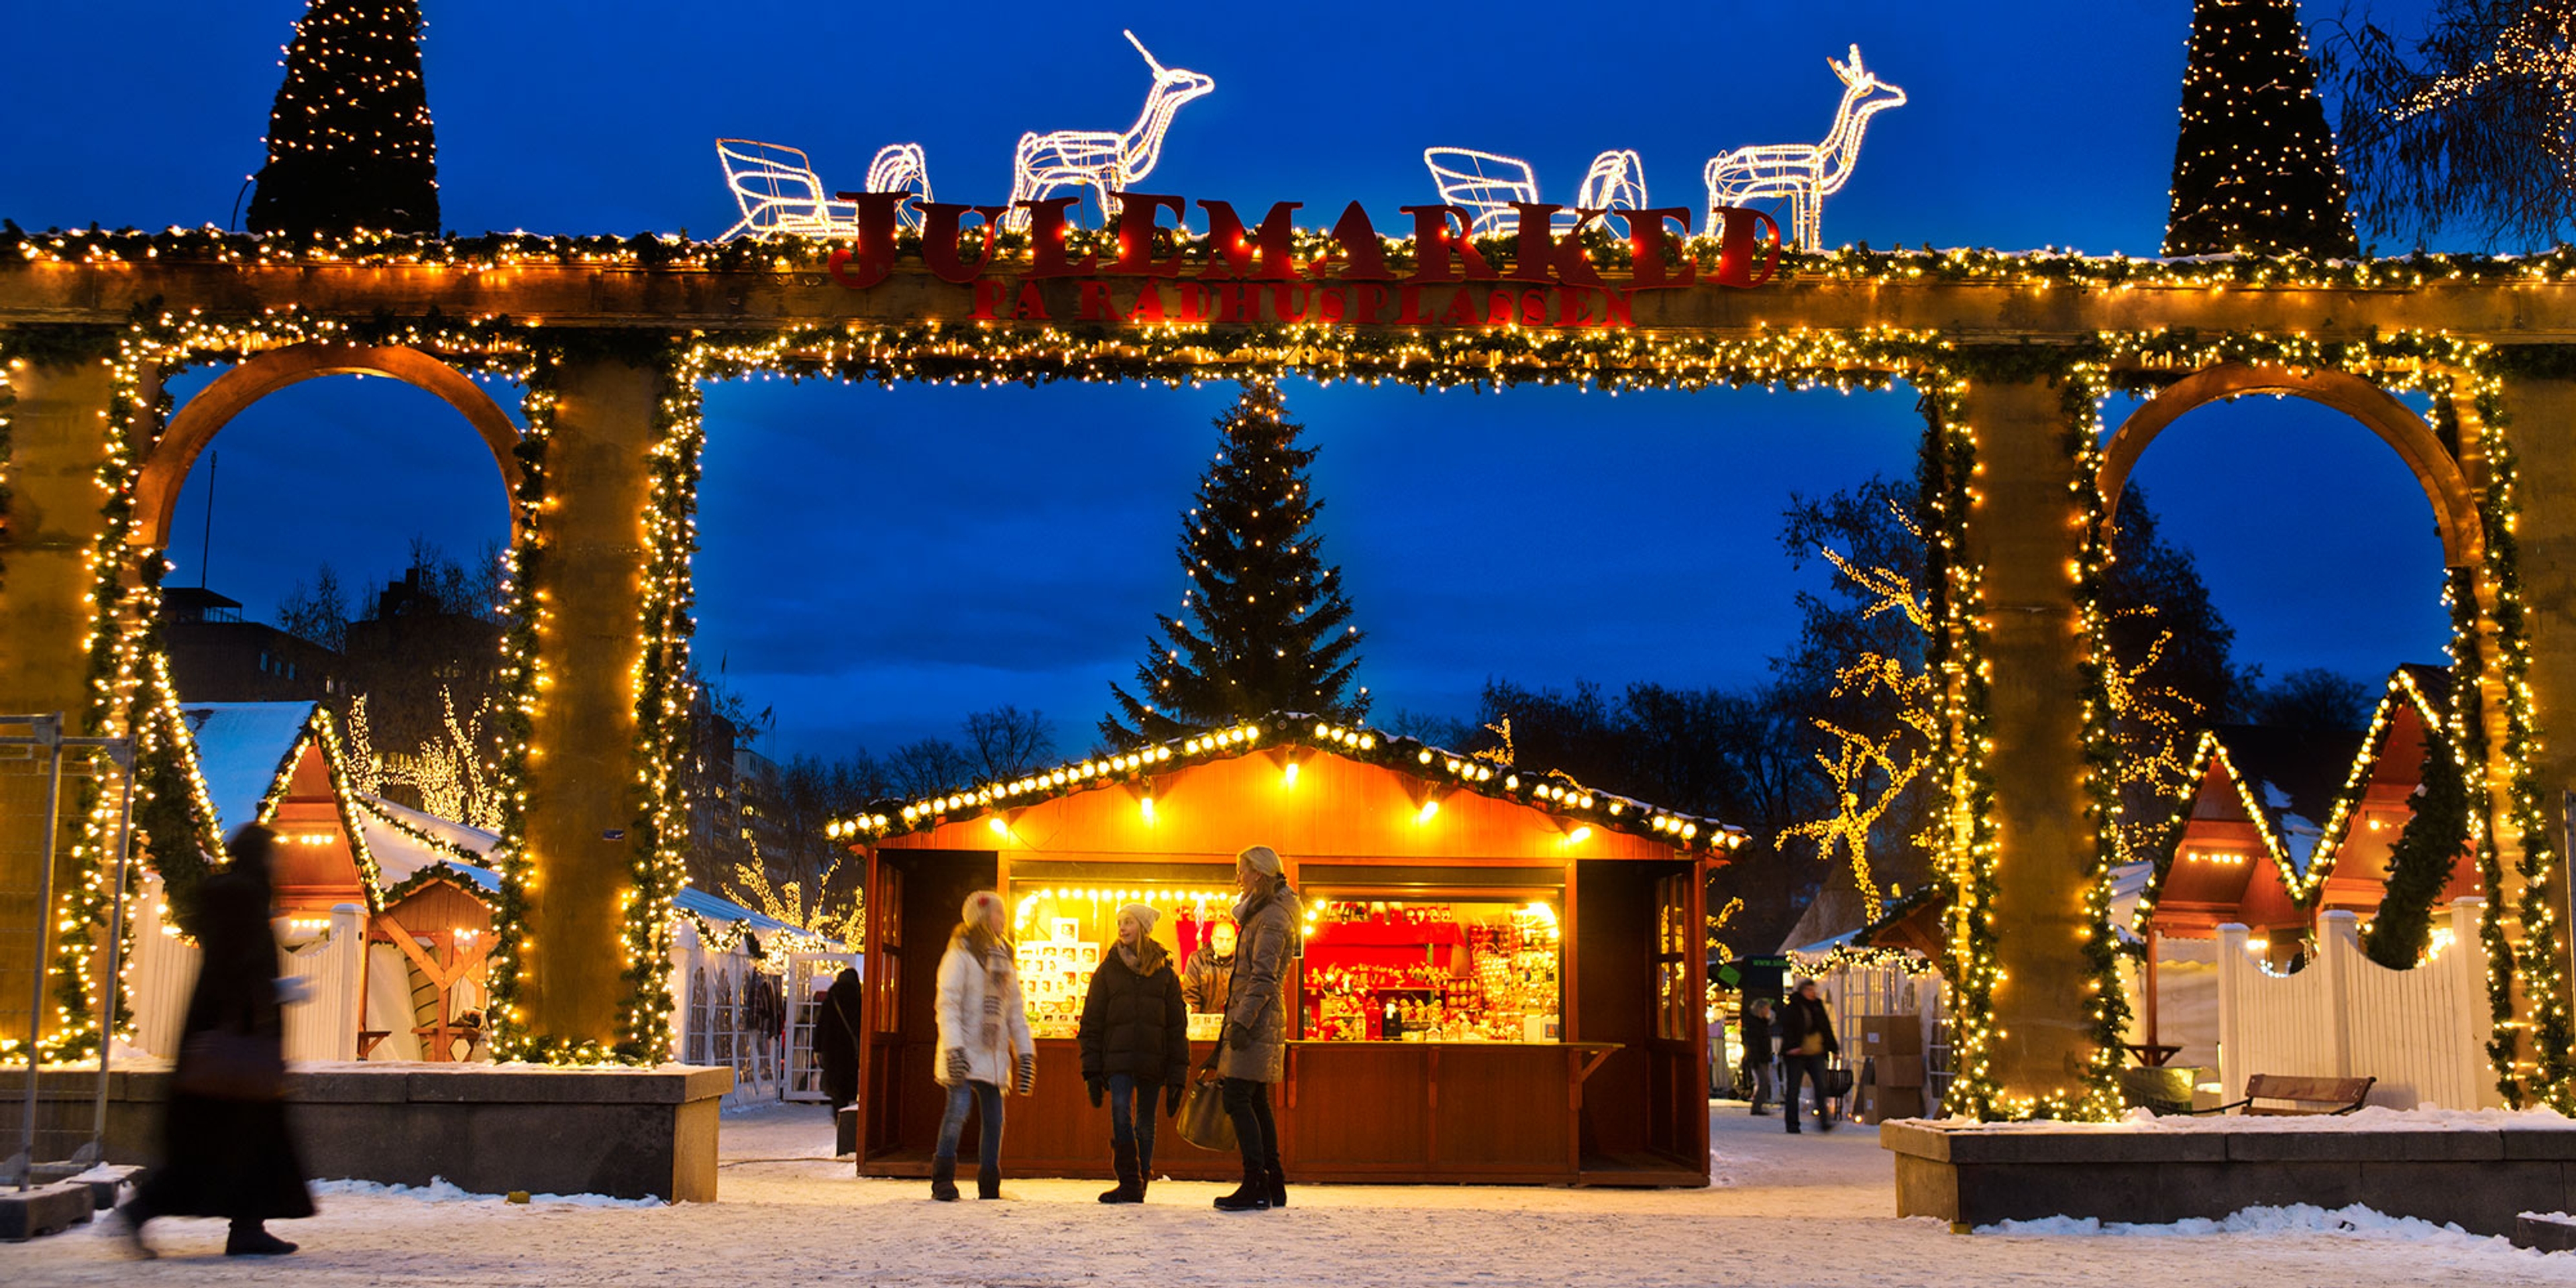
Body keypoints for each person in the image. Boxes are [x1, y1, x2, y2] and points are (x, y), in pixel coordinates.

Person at [115, 825, 313, 1258]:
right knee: (230, 1143)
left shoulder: (232, 896)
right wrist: (276, 992)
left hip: (219, 1044)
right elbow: (239, 967)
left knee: (228, 1145)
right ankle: (160, 1213)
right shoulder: (246, 900)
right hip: (236, 1048)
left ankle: (244, 1226)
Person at [1077, 902, 1188, 1204]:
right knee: (1120, 1113)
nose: (1122, 928)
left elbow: (1177, 1027)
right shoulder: (1108, 970)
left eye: (1128, 922)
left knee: (1146, 1123)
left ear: (1143, 927)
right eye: (1120, 922)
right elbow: (1091, 1022)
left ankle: (1140, 1182)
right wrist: (1091, 1069)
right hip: (1118, 1059)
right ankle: (1129, 1180)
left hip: (1153, 1059)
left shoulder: (1165, 973)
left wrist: (1178, 1075)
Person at [930, 890, 1034, 1201]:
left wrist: (1026, 1052)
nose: (1004, 920)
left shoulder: (1004, 959)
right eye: (998, 914)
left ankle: (990, 1183)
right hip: (964, 1049)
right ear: (983, 917)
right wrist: (955, 1048)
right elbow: (948, 1004)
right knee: (958, 1111)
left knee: (995, 1120)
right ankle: (943, 1180)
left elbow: (1015, 1010)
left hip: (992, 1053)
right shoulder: (959, 955)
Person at [1214, 844, 1299, 1213]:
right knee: (1255, 1100)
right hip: (1257, 1017)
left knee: (1236, 1096)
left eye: (1242, 870)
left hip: (1256, 1021)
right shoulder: (1264, 913)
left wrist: (1242, 1022)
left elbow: (1263, 978)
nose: (1238, 877)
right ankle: (1271, 1181)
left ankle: (1256, 1183)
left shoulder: (1272, 918)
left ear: (1260, 875)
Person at [1774, 979, 1838, 1134]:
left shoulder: (1817, 1006)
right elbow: (1787, 1029)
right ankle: (1792, 1124)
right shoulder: (1794, 1007)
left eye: (1813, 989)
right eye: (1809, 990)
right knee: (1793, 1089)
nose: (1812, 993)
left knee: (1821, 1087)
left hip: (1816, 1052)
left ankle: (1824, 1122)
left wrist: (1833, 1048)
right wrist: (1791, 1047)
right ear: (1802, 991)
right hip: (1797, 1053)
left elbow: (1826, 1028)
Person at [818, 965, 863, 1118]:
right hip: (849, 1049)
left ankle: (838, 1112)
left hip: (831, 1049)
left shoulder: (831, 1000)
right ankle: (845, 1114)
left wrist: (817, 1048)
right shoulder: (858, 1000)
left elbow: (821, 1025)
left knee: (835, 1084)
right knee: (847, 1080)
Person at [1181, 917, 1236, 1015]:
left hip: (1233, 1023)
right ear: (1213, 939)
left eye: (1229, 940)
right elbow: (1191, 995)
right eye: (1220, 939)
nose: (1224, 944)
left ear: (1235, 940)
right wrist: (1196, 1022)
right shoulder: (1197, 960)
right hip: (1203, 1022)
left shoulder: (1242, 962)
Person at [1739, 998, 1775, 1116]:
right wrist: (1754, 1056)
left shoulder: (1762, 1022)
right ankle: (1757, 1107)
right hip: (1757, 1056)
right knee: (1764, 1081)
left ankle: (1759, 1106)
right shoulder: (1754, 1023)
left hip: (1762, 1055)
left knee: (1764, 1081)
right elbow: (1753, 1041)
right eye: (1766, 1009)